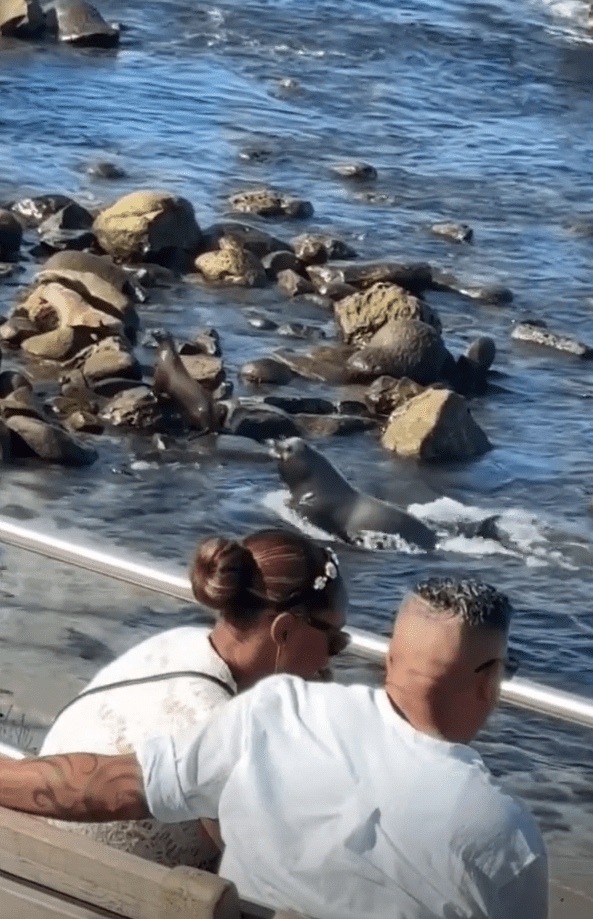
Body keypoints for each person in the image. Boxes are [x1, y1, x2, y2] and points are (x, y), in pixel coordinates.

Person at [0, 577, 547, 919]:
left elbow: (104, 788)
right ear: (488, 680)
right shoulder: (503, 832)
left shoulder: (277, 712)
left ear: (390, 660)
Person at [37, 527, 349, 868]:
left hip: (38, 863)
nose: (331, 658)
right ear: (284, 630)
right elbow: (272, 870)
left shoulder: (176, 641)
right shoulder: (219, 731)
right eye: (333, 640)